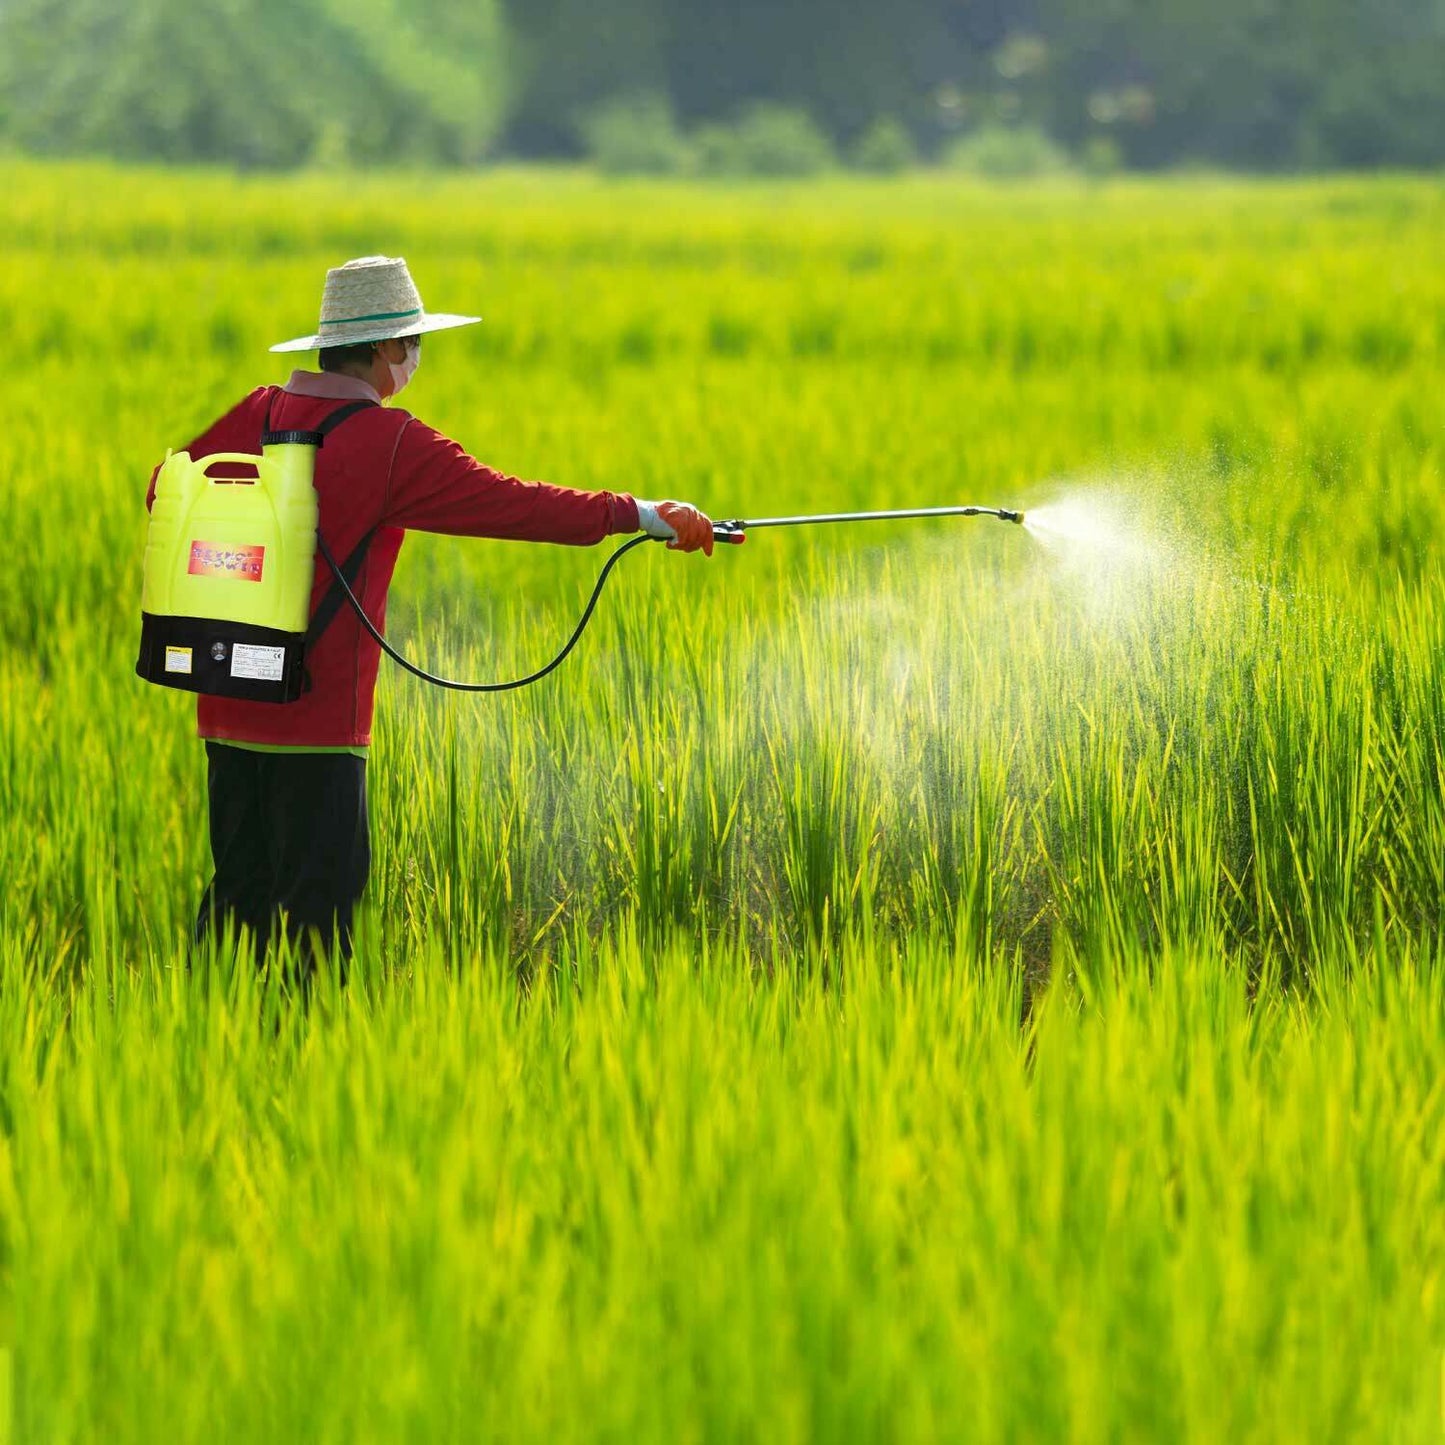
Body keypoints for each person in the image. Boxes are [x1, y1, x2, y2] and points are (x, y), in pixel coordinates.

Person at [148, 254, 715, 970]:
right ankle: (301, 1071)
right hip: (320, 730)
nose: (415, 361)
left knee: (235, 916)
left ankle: (212, 1050)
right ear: (386, 348)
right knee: (316, 933)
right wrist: (639, 514)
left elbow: (160, 495)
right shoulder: (389, 442)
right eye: (414, 345)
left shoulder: (257, 412)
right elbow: (514, 502)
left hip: (228, 708)